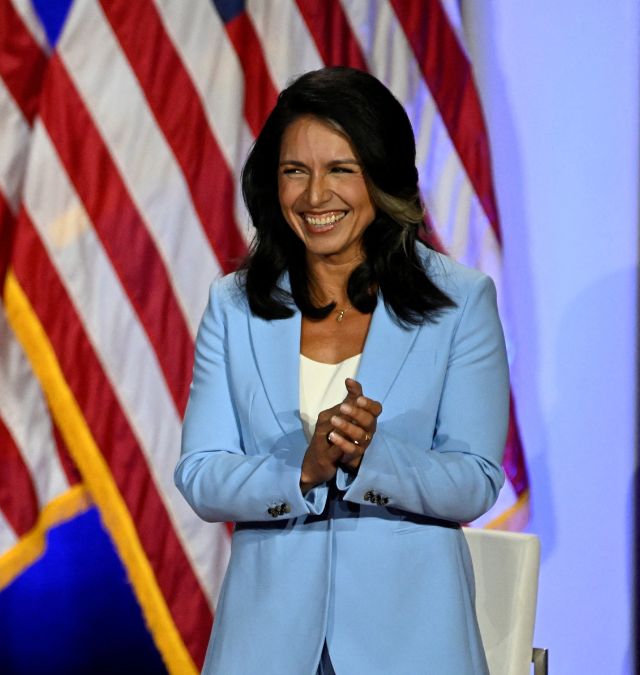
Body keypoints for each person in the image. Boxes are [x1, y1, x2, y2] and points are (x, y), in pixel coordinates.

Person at [175, 67, 508, 674]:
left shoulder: (460, 301)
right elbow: (201, 473)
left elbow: (477, 479)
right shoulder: (233, 305)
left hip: (411, 648)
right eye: (294, 171)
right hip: (267, 646)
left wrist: (369, 457)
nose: (314, 196)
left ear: (381, 177)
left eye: (340, 170)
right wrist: (303, 470)